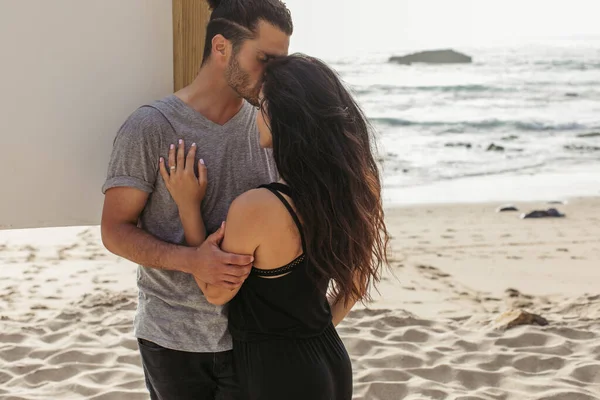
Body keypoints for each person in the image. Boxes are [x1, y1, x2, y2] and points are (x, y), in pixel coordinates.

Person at [160, 54, 390, 400]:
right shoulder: (353, 188)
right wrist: (313, 329)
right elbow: (355, 284)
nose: (256, 113)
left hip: (280, 375)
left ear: (284, 116)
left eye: (262, 103)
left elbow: (215, 291)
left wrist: (188, 206)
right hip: (330, 358)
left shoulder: (258, 207)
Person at [100, 0, 293, 398]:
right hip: (173, 340)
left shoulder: (270, 128)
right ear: (221, 48)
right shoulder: (151, 126)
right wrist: (191, 260)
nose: (274, 76)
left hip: (255, 339)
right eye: (264, 59)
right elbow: (114, 231)